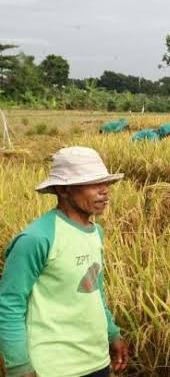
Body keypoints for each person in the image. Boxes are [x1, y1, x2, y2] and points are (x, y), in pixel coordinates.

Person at [0, 147, 128, 377]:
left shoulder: (95, 232)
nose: (104, 191)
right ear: (63, 189)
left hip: (96, 360)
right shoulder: (37, 238)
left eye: (105, 183)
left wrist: (112, 333)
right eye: (92, 183)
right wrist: (18, 367)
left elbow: (94, 288)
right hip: (53, 366)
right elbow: (10, 304)